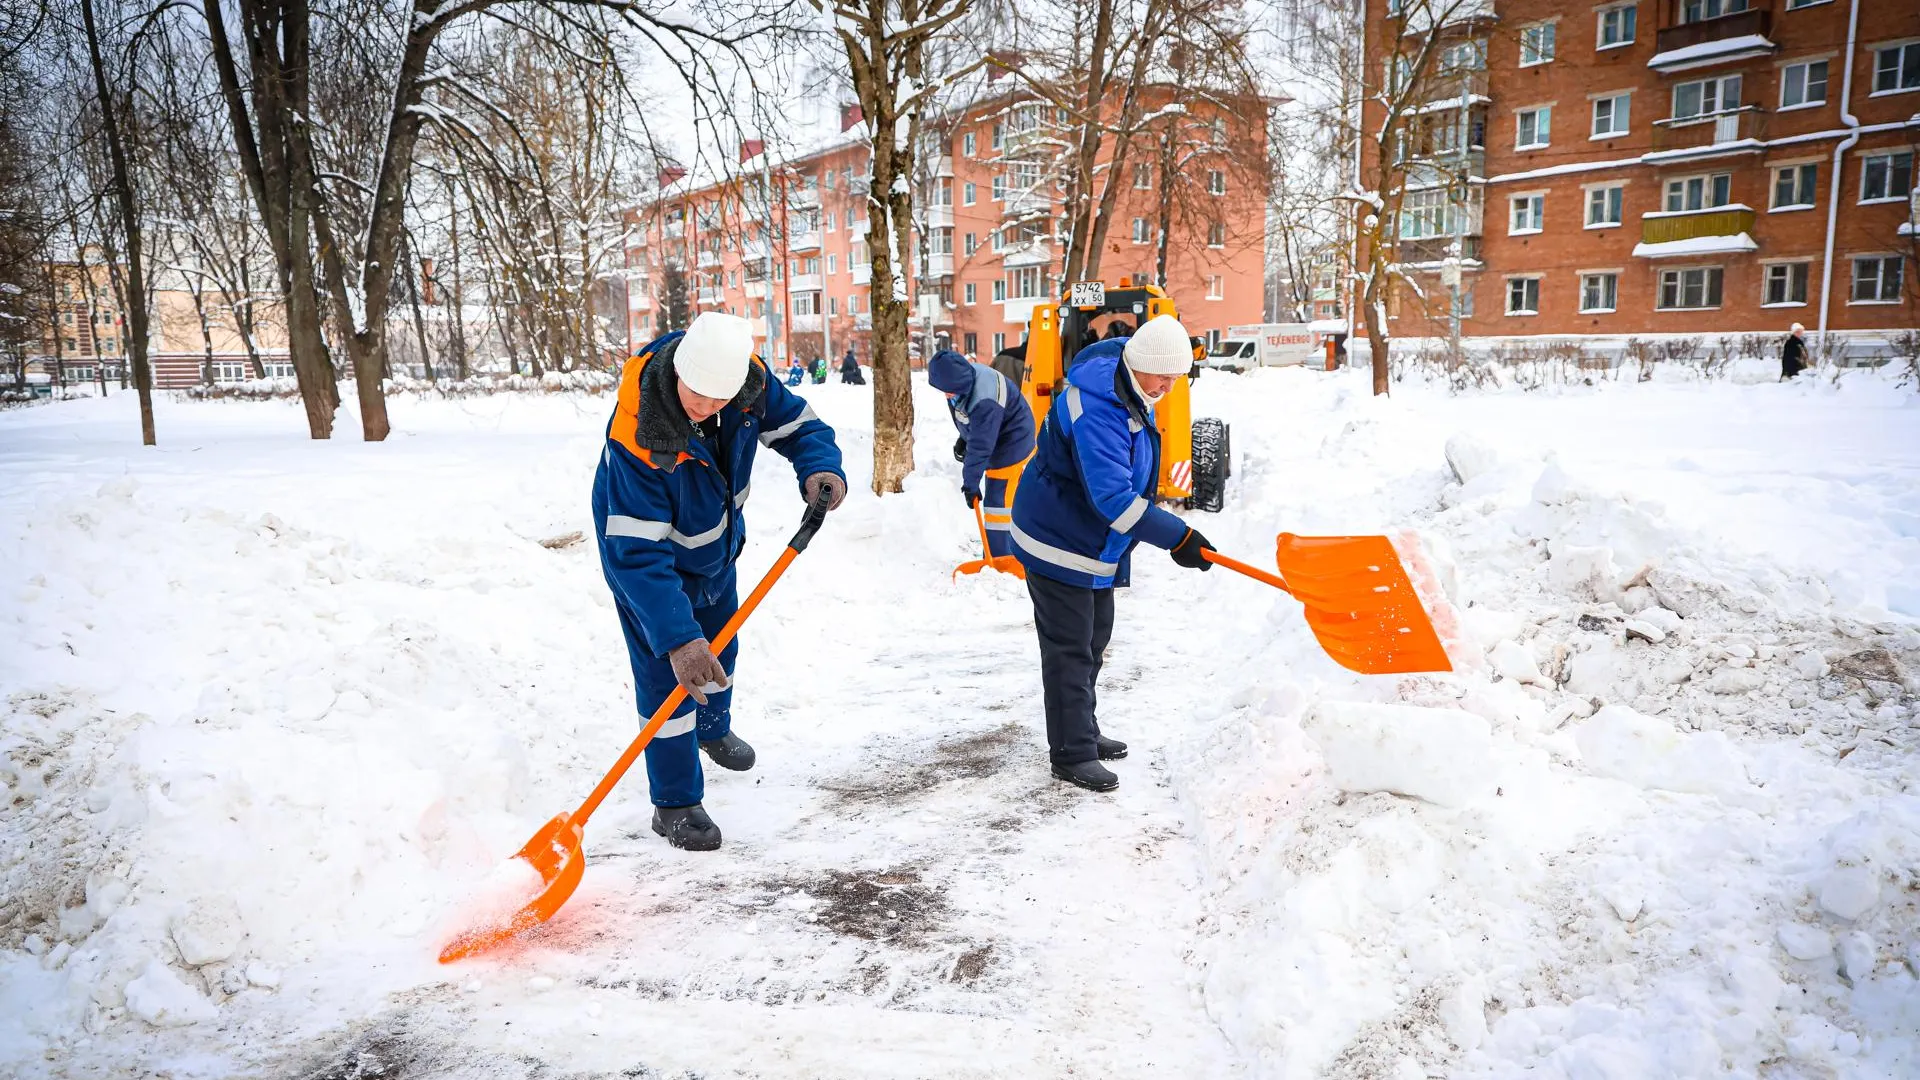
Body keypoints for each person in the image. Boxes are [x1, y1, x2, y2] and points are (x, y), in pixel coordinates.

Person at [593, 312, 847, 851]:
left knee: (721, 648)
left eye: (718, 399)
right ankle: (674, 802)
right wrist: (677, 639)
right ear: (678, 371)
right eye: (697, 395)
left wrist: (820, 467)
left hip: (715, 546)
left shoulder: (748, 384)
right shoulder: (638, 436)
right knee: (670, 678)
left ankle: (711, 726)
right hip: (647, 565)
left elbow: (803, 428)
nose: (706, 408)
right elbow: (637, 555)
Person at [1009, 314, 1214, 793]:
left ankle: (1084, 727)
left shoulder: (1132, 387)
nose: (1168, 385)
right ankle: (1071, 752)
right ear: (1139, 362)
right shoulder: (1098, 407)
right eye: (1162, 375)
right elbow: (1114, 499)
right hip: (1057, 539)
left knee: (1095, 638)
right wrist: (1179, 537)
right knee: (1070, 649)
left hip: (1091, 542)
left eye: (1175, 376)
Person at [928, 349, 1035, 557]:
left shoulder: (985, 399)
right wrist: (964, 437)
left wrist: (970, 484)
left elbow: (981, 446)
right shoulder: (961, 381)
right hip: (997, 435)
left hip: (1013, 442)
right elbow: (967, 416)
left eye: (948, 390)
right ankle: (1003, 550)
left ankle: (1001, 557)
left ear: (959, 382)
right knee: (1003, 499)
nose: (946, 394)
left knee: (998, 503)